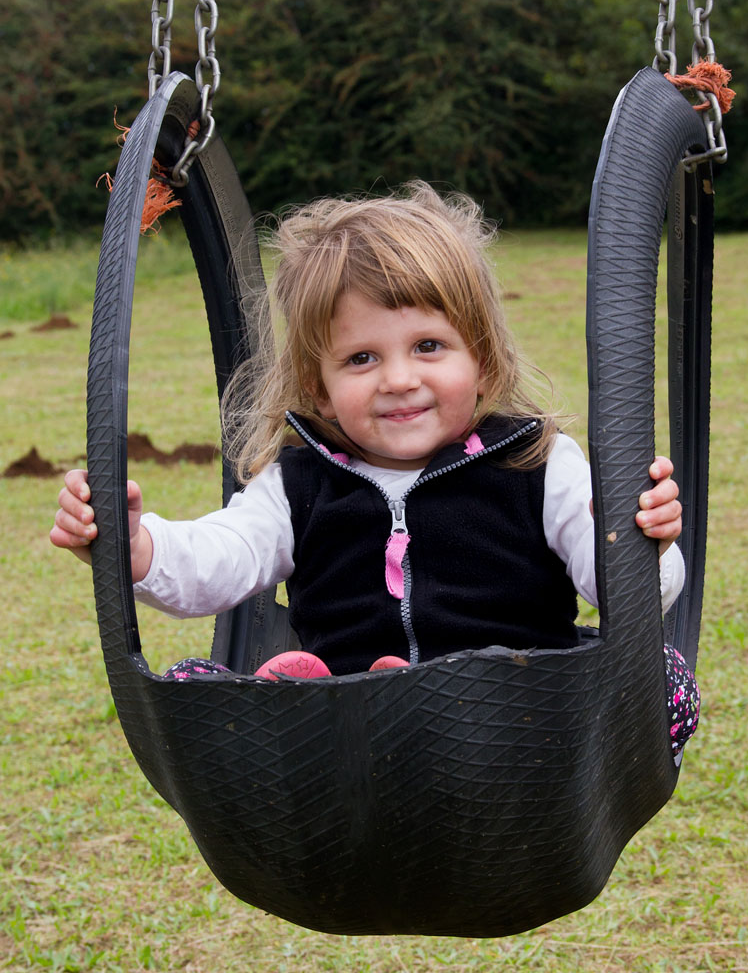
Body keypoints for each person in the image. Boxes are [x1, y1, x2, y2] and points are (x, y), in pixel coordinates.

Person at [51, 181, 699, 752]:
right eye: (361, 358)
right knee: (198, 687)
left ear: (480, 356)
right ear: (320, 383)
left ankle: (409, 706)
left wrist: (636, 542)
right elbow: (224, 556)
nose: (398, 379)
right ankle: (354, 706)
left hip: (518, 725)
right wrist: (138, 547)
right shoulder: (298, 484)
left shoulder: (540, 462)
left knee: (663, 674)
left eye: (428, 346)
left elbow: (624, 592)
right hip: (349, 736)